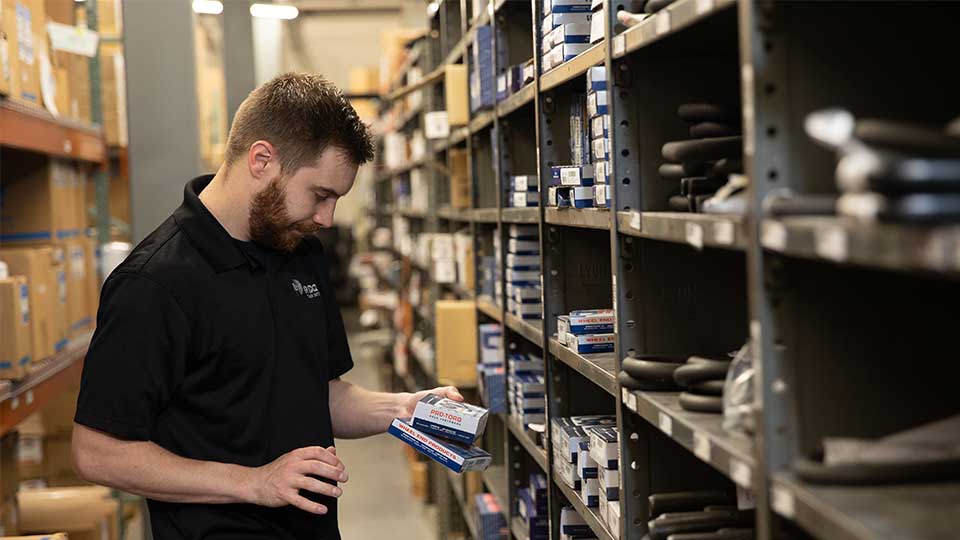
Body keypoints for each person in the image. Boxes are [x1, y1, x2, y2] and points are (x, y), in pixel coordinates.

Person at [71, 73, 463, 539]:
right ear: (261, 160)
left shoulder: (301, 252)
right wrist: (254, 482)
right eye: (320, 195)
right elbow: (97, 451)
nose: (327, 218)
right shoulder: (154, 283)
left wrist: (402, 408)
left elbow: (316, 392)